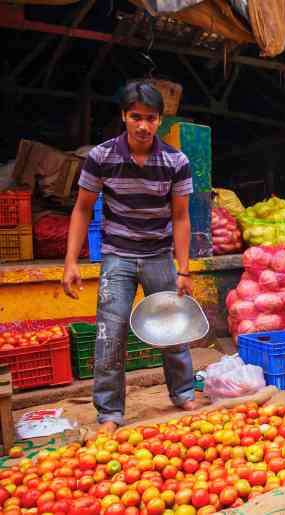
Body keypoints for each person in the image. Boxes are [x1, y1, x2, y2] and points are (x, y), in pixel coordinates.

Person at [62, 81, 200, 433]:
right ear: (123, 116)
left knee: (173, 326)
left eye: (150, 118)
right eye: (135, 116)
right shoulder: (101, 157)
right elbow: (81, 210)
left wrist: (184, 269)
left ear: (160, 121)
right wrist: (71, 262)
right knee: (111, 332)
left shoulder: (175, 161)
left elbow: (182, 217)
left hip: (158, 256)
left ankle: (183, 392)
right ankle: (109, 412)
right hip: (116, 257)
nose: (143, 125)